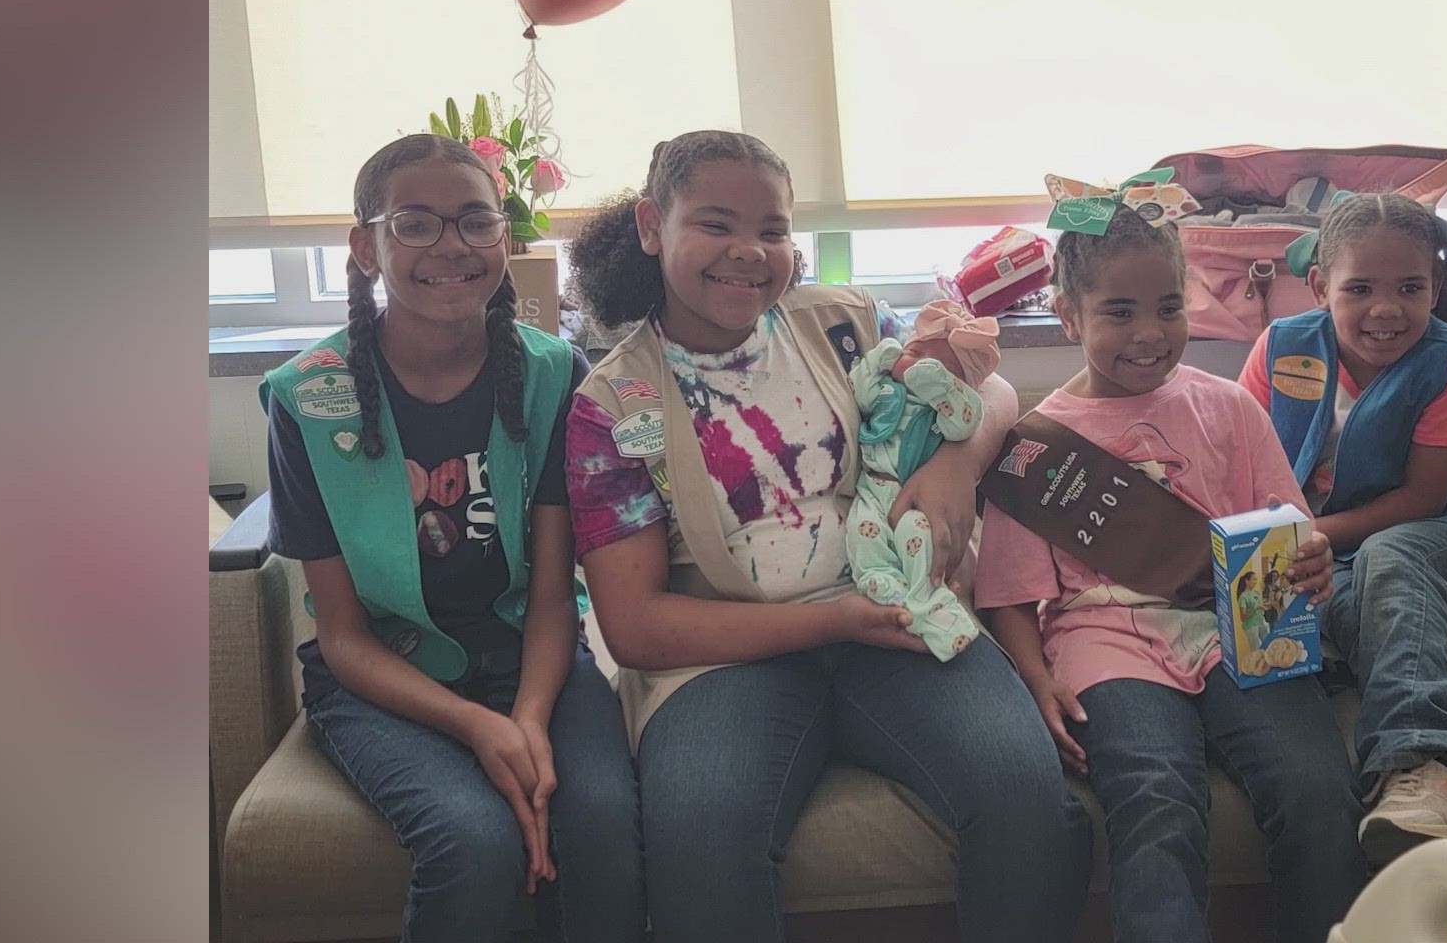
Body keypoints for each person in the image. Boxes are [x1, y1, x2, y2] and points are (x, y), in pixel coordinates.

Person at [564, 130, 1090, 941]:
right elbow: (634, 627)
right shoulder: (617, 404)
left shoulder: (845, 320)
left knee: (1028, 800)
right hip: (724, 658)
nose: (749, 251)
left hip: (904, 618)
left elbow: (990, 396)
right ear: (648, 225)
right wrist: (839, 619)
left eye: (772, 230)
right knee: (701, 841)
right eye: (715, 224)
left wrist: (957, 462)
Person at [261, 133, 643, 942]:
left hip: (530, 660)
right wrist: (480, 727)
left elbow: (550, 598)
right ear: (365, 247)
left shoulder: (552, 375)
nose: (452, 247)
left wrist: (530, 719)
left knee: (603, 820)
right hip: (383, 680)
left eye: (476, 221)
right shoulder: (306, 399)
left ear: (505, 237)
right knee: (472, 841)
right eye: (416, 224)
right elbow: (342, 638)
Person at [975, 206, 1369, 943]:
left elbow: (1288, 536)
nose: (1149, 333)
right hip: (1106, 648)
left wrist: (1312, 561)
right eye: (1118, 313)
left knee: (1317, 789)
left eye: (1166, 307)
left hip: (1242, 631)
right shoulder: (1035, 450)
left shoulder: (1229, 407)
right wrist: (1037, 682)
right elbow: (1007, 597)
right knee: (1155, 800)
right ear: (1068, 315)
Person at [1240, 191, 1447, 867]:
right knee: (1362, 618)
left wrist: (1311, 534)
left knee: (1390, 560)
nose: (1386, 309)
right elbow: (1244, 465)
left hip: (1436, 540)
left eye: (1410, 287)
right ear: (1318, 286)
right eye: (1359, 287)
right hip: (1330, 559)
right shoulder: (1281, 347)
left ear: (1437, 287)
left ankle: (1413, 767)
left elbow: (1424, 498)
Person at [845, 298, 1003, 660]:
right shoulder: (888, 393)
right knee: (863, 535)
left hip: (916, 497)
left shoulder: (945, 411)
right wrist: (879, 361)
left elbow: (967, 418)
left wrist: (935, 386)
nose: (914, 368)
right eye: (913, 352)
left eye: (935, 366)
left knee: (919, 533)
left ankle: (927, 596)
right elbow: (860, 390)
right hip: (873, 488)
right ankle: (883, 584)